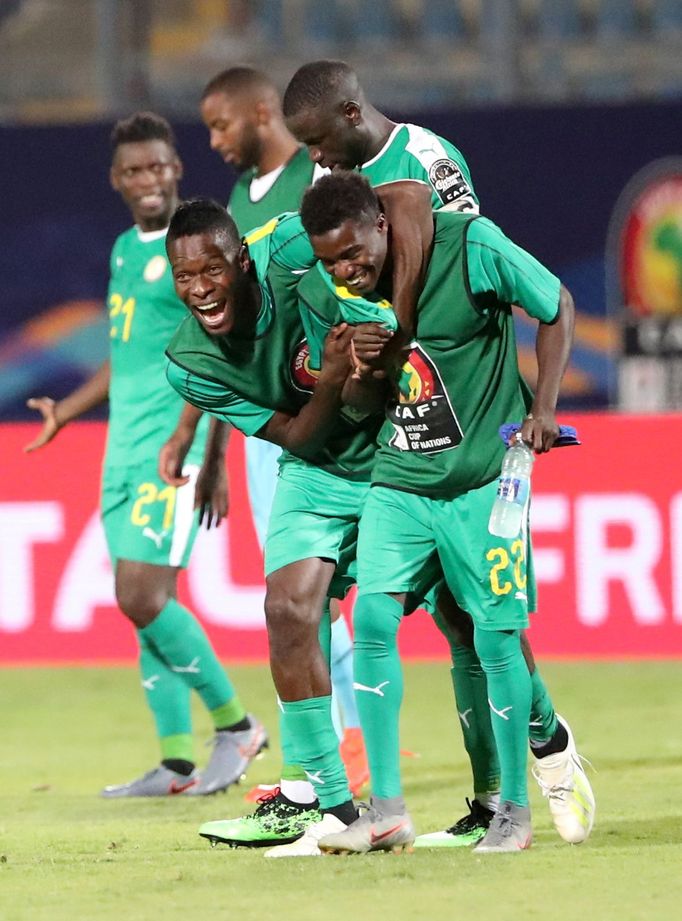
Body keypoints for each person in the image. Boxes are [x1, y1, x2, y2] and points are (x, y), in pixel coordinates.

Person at [284, 59, 587, 848]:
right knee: (402, 618)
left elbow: (497, 283)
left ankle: (539, 758)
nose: (320, 161)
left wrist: (537, 408)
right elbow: (356, 382)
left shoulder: (431, 173)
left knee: (490, 632)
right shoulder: (340, 241)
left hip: (481, 464)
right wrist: (356, 364)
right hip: (402, 467)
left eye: (322, 143)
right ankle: (417, 806)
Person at [24, 113, 266, 797]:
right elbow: (123, 352)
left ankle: (238, 725)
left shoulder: (198, 250)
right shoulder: (125, 251)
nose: (148, 179)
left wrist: (213, 455)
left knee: (142, 591)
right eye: (134, 170)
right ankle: (178, 762)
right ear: (117, 179)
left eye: (158, 166)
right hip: (122, 449)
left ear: (177, 168)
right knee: (140, 603)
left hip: (173, 448)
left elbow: (222, 355)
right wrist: (68, 410)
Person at [163, 198, 384, 856]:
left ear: (243, 262)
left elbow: (381, 214)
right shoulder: (189, 363)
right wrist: (335, 377)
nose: (199, 289)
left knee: (467, 617)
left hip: (398, 446)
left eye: (211, 270)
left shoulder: (290, 247)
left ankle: (535, 753)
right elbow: (296, 435)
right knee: (288, 609)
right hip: (315, 462)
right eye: (183, 277)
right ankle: (329, 804)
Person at [198, 66, 370, 805]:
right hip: (263, 427)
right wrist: (215, 451)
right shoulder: (240, 201)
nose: (214, 140)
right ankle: (313, 762)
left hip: (323, 410)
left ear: (261, 112)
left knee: (320, 596)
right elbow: (234, 332)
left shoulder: (317, 174)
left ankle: (348, 754)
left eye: (219, 124)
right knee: (292, 600)